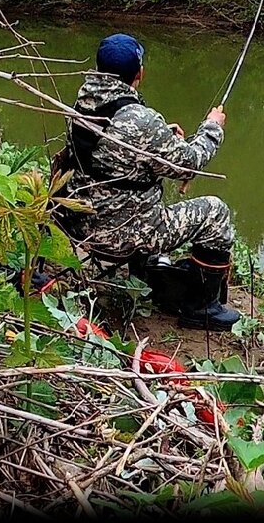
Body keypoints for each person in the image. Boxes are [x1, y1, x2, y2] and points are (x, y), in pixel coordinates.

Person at [51, 33, 241, 331]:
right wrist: (212, 127)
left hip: (77, 222)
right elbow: (190, 163)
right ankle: (202, 308)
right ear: (139, 73)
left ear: (99, 69)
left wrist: (162, 134)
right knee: (215, 212)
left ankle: (152, 275)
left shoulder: (82, 102)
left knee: (135, 194)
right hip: (122, 233)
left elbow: (108, 150)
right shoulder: (141, 120)